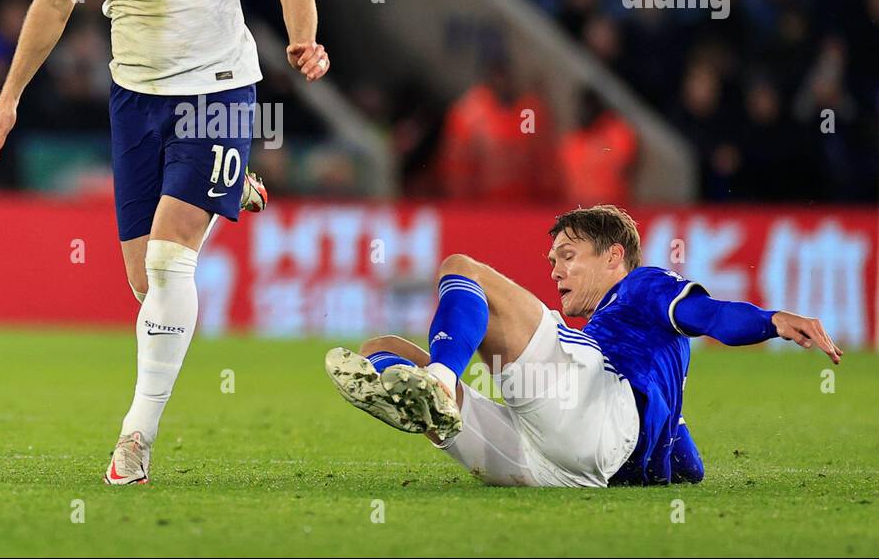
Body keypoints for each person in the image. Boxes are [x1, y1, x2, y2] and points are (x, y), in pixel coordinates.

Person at [0, 0, 330, 485]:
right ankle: (229, 189)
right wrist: (11, 93)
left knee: (174, 262)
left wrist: (303, 39)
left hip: (220, 89)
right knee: (146, 286)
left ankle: (135, 439)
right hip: (134, 96)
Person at [325, 204, 841, 487]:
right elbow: (688, 467)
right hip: (555, 465)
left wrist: (772, 320)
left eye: (568, 255)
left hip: (586, 411)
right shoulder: (638, 350)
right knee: (382, 348)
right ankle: (432, 401)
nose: (556, 270)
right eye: (552, 260)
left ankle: (437, 387)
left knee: (461, 269)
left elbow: (711, 315)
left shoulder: (641, 285)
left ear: (614, 256)